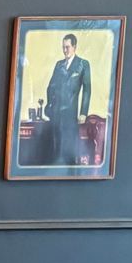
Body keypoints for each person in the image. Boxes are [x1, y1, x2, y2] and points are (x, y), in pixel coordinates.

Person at [42, 32, 93, 167]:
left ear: (74, 47)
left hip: (71, 115)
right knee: (55, 149)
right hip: (56, 114)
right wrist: (50, 106)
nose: (65, 50)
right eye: (63, 47)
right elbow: (50, 87)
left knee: (69, 151)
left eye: (68, 47)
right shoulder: (59, 65)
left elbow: (87, 89)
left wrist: (83, 113)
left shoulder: (83, 64)